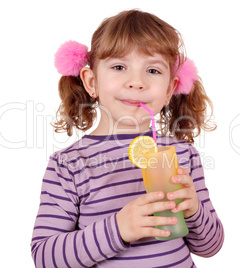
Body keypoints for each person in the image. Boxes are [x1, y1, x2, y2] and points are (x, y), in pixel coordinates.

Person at [31, 9, 224, 267]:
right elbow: (45, 257)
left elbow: (211, 247)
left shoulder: (183, 155)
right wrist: (118, 229)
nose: (137, 82)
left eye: (153, 70)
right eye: (119, 67)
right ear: (91, 82)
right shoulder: (68, 164)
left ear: (169, 89)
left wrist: (194, 212)